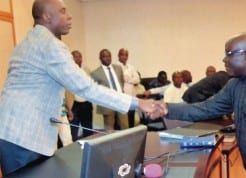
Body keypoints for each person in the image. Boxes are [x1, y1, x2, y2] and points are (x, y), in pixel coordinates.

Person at [0, 0, 156, 176]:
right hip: (24, 138)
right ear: (47, 16)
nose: (69, 16)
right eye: (63, 11)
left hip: (10, 133)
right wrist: (137, 102)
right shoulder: (50, 45)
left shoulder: (26, 42)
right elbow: (87, 88)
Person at [152, 33, 246, 178]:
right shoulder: (236, 83)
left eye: (229, 53)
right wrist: (165, 108)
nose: (224, 59)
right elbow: (206, 108)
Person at [91, 49, 129, 130]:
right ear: (100, 58)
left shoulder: (118, 68)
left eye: (109, 56)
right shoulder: (95, 73)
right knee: (109, 128)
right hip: (108, 102)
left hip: (120, 100)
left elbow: (121, 82)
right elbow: (95, 90)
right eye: (104, 56)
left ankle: (128, 142)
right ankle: (111, 142)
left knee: (125, 125)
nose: (107, 58)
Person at [68, 50, 93, 141]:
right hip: (74, 104)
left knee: (88, 129)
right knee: (73, 131)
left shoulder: (86, 70)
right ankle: (74, 151)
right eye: (75, 56)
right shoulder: (67, 71)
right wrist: (68, 108)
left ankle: (89, 150)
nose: (78, 59)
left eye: (79, 56)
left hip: (86, 103)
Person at [118, 48, 140, 128]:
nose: (124, 57)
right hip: (122, 96)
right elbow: (121, 78)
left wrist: (128, 79)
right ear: (119, 56)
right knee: (123, 122)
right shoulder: (116, 66)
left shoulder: (131, 67)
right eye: (122, 55)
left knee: (131, 119)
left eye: (126, 55)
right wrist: (131, 79)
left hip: (132, 96)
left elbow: (137, 79)